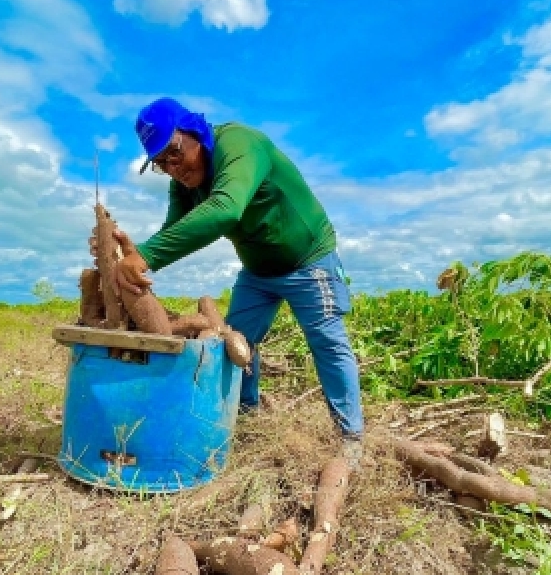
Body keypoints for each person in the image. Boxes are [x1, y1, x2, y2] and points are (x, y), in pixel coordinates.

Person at [106, 97, 364, 468]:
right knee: (236, 342)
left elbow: (225, 208)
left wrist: (146, 254)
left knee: (327, 341)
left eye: (174, 153)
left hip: (308, 261)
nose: (172, 168)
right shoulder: (183, 184)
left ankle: (350, 440)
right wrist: (137, 255)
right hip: (258, 272)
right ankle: (248, 420)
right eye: (161, 164)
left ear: (194, 130)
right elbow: (174, 231)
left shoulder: (239, 145)